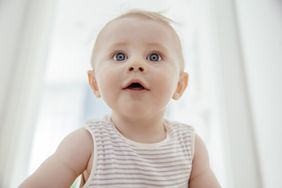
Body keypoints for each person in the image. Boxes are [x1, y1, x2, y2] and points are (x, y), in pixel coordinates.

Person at [20, 10, 220, 188]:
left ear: (179, 85)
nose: (135, 64)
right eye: (119, 56)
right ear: (95, 83)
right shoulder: (86, 143)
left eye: (154, 56)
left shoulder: (191, 147)